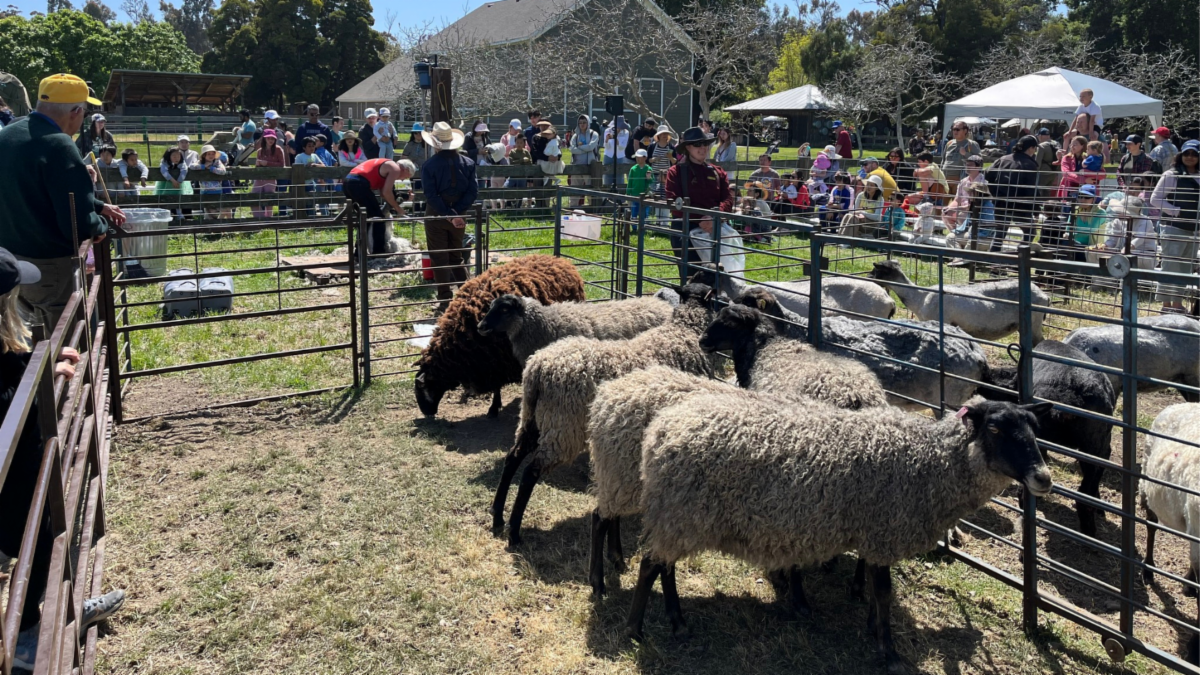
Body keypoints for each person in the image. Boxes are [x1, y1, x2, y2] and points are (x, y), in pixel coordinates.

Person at [0, 247, 125, 671]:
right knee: (37, 540)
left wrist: (41, 365)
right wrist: (40, 378)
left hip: (18, 474)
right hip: (15, 479)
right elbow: (7, 402)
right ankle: (27, 637)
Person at [0, 73, 125, 328]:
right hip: (49, 264)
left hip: (9, 259)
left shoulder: (8, 135)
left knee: (22, 333)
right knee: (63, 336)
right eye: (84, 113)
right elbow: (78, 222)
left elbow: (32, 187)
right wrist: (100, 225)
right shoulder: (59, 145)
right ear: (76, 112)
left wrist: (98, 205)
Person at [418, 122, 476, 310]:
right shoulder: (468, 163)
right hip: (460, 213)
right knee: (456, 256)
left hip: (436, 213)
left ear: (435, 143)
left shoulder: (429, 165)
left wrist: (448, 214)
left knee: (439, 257)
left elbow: (431, 195)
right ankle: (468, 296)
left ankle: (445, 299)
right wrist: (456, 213)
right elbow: (472, 192)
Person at [663, 126, 733, 282]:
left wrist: (714, 217)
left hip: (715, 230)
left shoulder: (718, 172)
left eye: (705, 144)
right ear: (688, 147)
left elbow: (728, 199)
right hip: (685, 231)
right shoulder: (675, 172)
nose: (703, 148)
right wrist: (701, 218)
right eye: (697, 144)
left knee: (720, 279)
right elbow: (674, 202)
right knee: (692, 280)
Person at [1149, 139, 1200, 313]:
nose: (1190, 157)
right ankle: (1166, 305)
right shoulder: (1172, 175)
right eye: (1187, 153)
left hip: (1194, 229)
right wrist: (1175, 211)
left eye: (1194, 154)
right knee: (1170, 265)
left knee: (1185, 268)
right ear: (1181, 155)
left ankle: (1177, 304)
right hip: (1173, 227)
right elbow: (1155, 199)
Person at [342, 154, 415, 254]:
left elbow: (384, 193)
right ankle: (378, 252)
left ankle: (359, 252)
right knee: (378, 218)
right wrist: (398, 209)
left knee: (364, 218)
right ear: (405, 169)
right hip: (359, 184)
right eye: (406, 176)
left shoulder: (387, 166)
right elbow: (386, 193)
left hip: (348, 182)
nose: (402, 179)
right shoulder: (395, 169)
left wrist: (403, 197)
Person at [986, 135, 1041, 244]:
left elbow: (987, 174)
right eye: (1035, 148)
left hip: (1001, 202)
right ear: (1031, 148)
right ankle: (1021, 253)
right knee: (1030, 232)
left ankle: (994, 254)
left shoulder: (1003, 159)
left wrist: (995, 192)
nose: (1035, 151)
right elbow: (1031, 189)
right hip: (1020, 206)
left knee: (1000, 234)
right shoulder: (1029, 165)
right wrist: (1036, 210)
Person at [689, 209, 745, 275]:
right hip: (693, 224)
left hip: (719, 224)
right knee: (693, 270)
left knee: (725, 261)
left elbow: (727, 203)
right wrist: (700, 218)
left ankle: (724, 277)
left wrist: (715, 217)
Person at [942, 155, 986, 230]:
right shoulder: (963, 181)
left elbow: (973, 206)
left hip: (977, 212)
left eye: (970, 165)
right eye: (966, 164)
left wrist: (955, 209)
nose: (967, 166)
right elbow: (957, 200)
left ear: (978, 167)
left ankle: (964, 234)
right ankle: (955, 233)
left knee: (961, 216)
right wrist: (949, 208)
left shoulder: (983, 182)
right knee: (945, 214)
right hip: (962, 209)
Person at [252, 128, 286, 219]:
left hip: (271, 178)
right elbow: (257, 167)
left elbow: (282, 164)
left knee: (269, 201)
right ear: (265, 139)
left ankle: (268, 220)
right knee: (253, 198)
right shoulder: (260, 151)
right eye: (268, 138)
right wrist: (258, 164)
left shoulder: (278, 149)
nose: (271, 140)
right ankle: (259, 219)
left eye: (272, 138)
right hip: (260, 178)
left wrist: (267, 163)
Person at [941, 121, 981, 187]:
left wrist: (965, 154)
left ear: (965, 131)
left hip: (960, 179)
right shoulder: (949, 143)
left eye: (957, 129)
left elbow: (979, 160)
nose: (955, 131)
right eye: (953, 129)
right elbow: (943, 160)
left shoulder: (971, 144)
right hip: (945, 178)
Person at [568, 114, 599, 201]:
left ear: (588, 123)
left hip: (589, 166)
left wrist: (579, 147)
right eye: (580, 123)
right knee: (574, 190)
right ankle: (573, 207)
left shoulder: (594, 134)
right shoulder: (575, 136)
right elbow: (571, 148)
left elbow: (591, 147)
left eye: (584, 122)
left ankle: (591, 207)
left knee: (590, 190)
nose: (582, 124)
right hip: (577, 166)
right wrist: (584, 150)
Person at [1033, 128, 1060, 201]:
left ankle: (1039, 205)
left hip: (1043, 173)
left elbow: (1037, 162)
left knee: (1039, 191)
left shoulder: (1041, 146)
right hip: (1054, 172)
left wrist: (1034, 173)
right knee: (1047, 192)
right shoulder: (1057, 144)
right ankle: (1047, 205)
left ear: (1040, 136)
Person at [602, 117, 630, 187]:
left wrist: (617, 141)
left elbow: (623, 147)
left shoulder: (626, 132)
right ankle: (607, 192)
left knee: (619, 176)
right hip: (608, 156)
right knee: (607, 175)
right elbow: (606, 146)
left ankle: (619, 193)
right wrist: (607, 140)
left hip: (620, 156)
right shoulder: (608, 130)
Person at [627, 148, 651, 218]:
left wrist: (649, 178)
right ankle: (634, 224)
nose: (637, 159)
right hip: (634, 195)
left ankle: (644, 224)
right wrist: (628, 194)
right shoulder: (633, 169)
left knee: (645, 214)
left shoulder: (648, 169)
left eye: (639, 157)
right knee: (634, 213)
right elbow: (630, 182)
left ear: (645, 158)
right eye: (636, 157)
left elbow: (651, 181)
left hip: (645, 196)